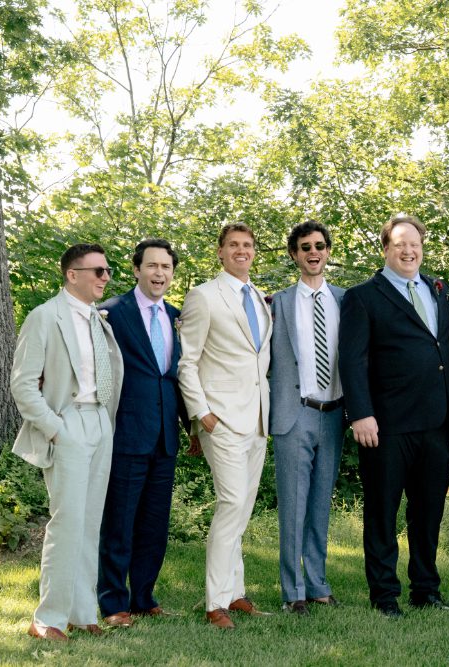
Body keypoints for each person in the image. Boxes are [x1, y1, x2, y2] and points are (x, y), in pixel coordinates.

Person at [339, 214, 449, 618]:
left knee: (427, 513)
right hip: (385, 425)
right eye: (399, 244)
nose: (409, 251)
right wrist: (361, 414)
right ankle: (384, 595)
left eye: (415, 244)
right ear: (385, 248)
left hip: (436, 423)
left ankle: (426, 590)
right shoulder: (363, 296)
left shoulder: (440, 292)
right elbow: (352, 360)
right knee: (382, 512)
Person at [10, 243, 124, 641]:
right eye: (97, 271)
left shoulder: (99, 319)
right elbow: (23, 386)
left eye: (107, 271)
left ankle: (81, 611)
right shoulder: (44, 317)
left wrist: (103, 423)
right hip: (68, 423)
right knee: (67, 522)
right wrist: (57, 429)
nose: (105, 277)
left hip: (100, 423)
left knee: (91, 523)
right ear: (72, 275)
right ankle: (47, 619)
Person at [178, 223, 272, 629]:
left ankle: (235, 593)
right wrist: (203, 415)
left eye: (247, 245)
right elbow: (187, 362)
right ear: (220, 252)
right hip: (222, 420)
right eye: (233, 245)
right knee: (231, 504)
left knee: (243, 509)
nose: (241, 251)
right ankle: (215, 601)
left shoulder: (259, 297)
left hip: (257, 419)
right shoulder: (203, 296)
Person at [96, 239, 193, 628]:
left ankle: (143, 597)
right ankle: (113, 601)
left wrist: (191, 429)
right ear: (136, 269)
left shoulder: (175, 316)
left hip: (165, 435)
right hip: (125, 433)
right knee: (119, 522)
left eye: (166, 267)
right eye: (151, 266)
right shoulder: (111, 313)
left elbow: (178, 376)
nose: (159, 274)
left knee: (155, 523)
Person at [269, 221, 346, 616]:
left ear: (328, 251)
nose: (313, 252)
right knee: (293, 506)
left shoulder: (346, 301)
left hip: (333, 415)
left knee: (319, 506)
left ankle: (317, 583)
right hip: (293, 413)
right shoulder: (276, 304)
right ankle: (292, 590)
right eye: (304, 247)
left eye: (319, 245)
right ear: (294, 255)